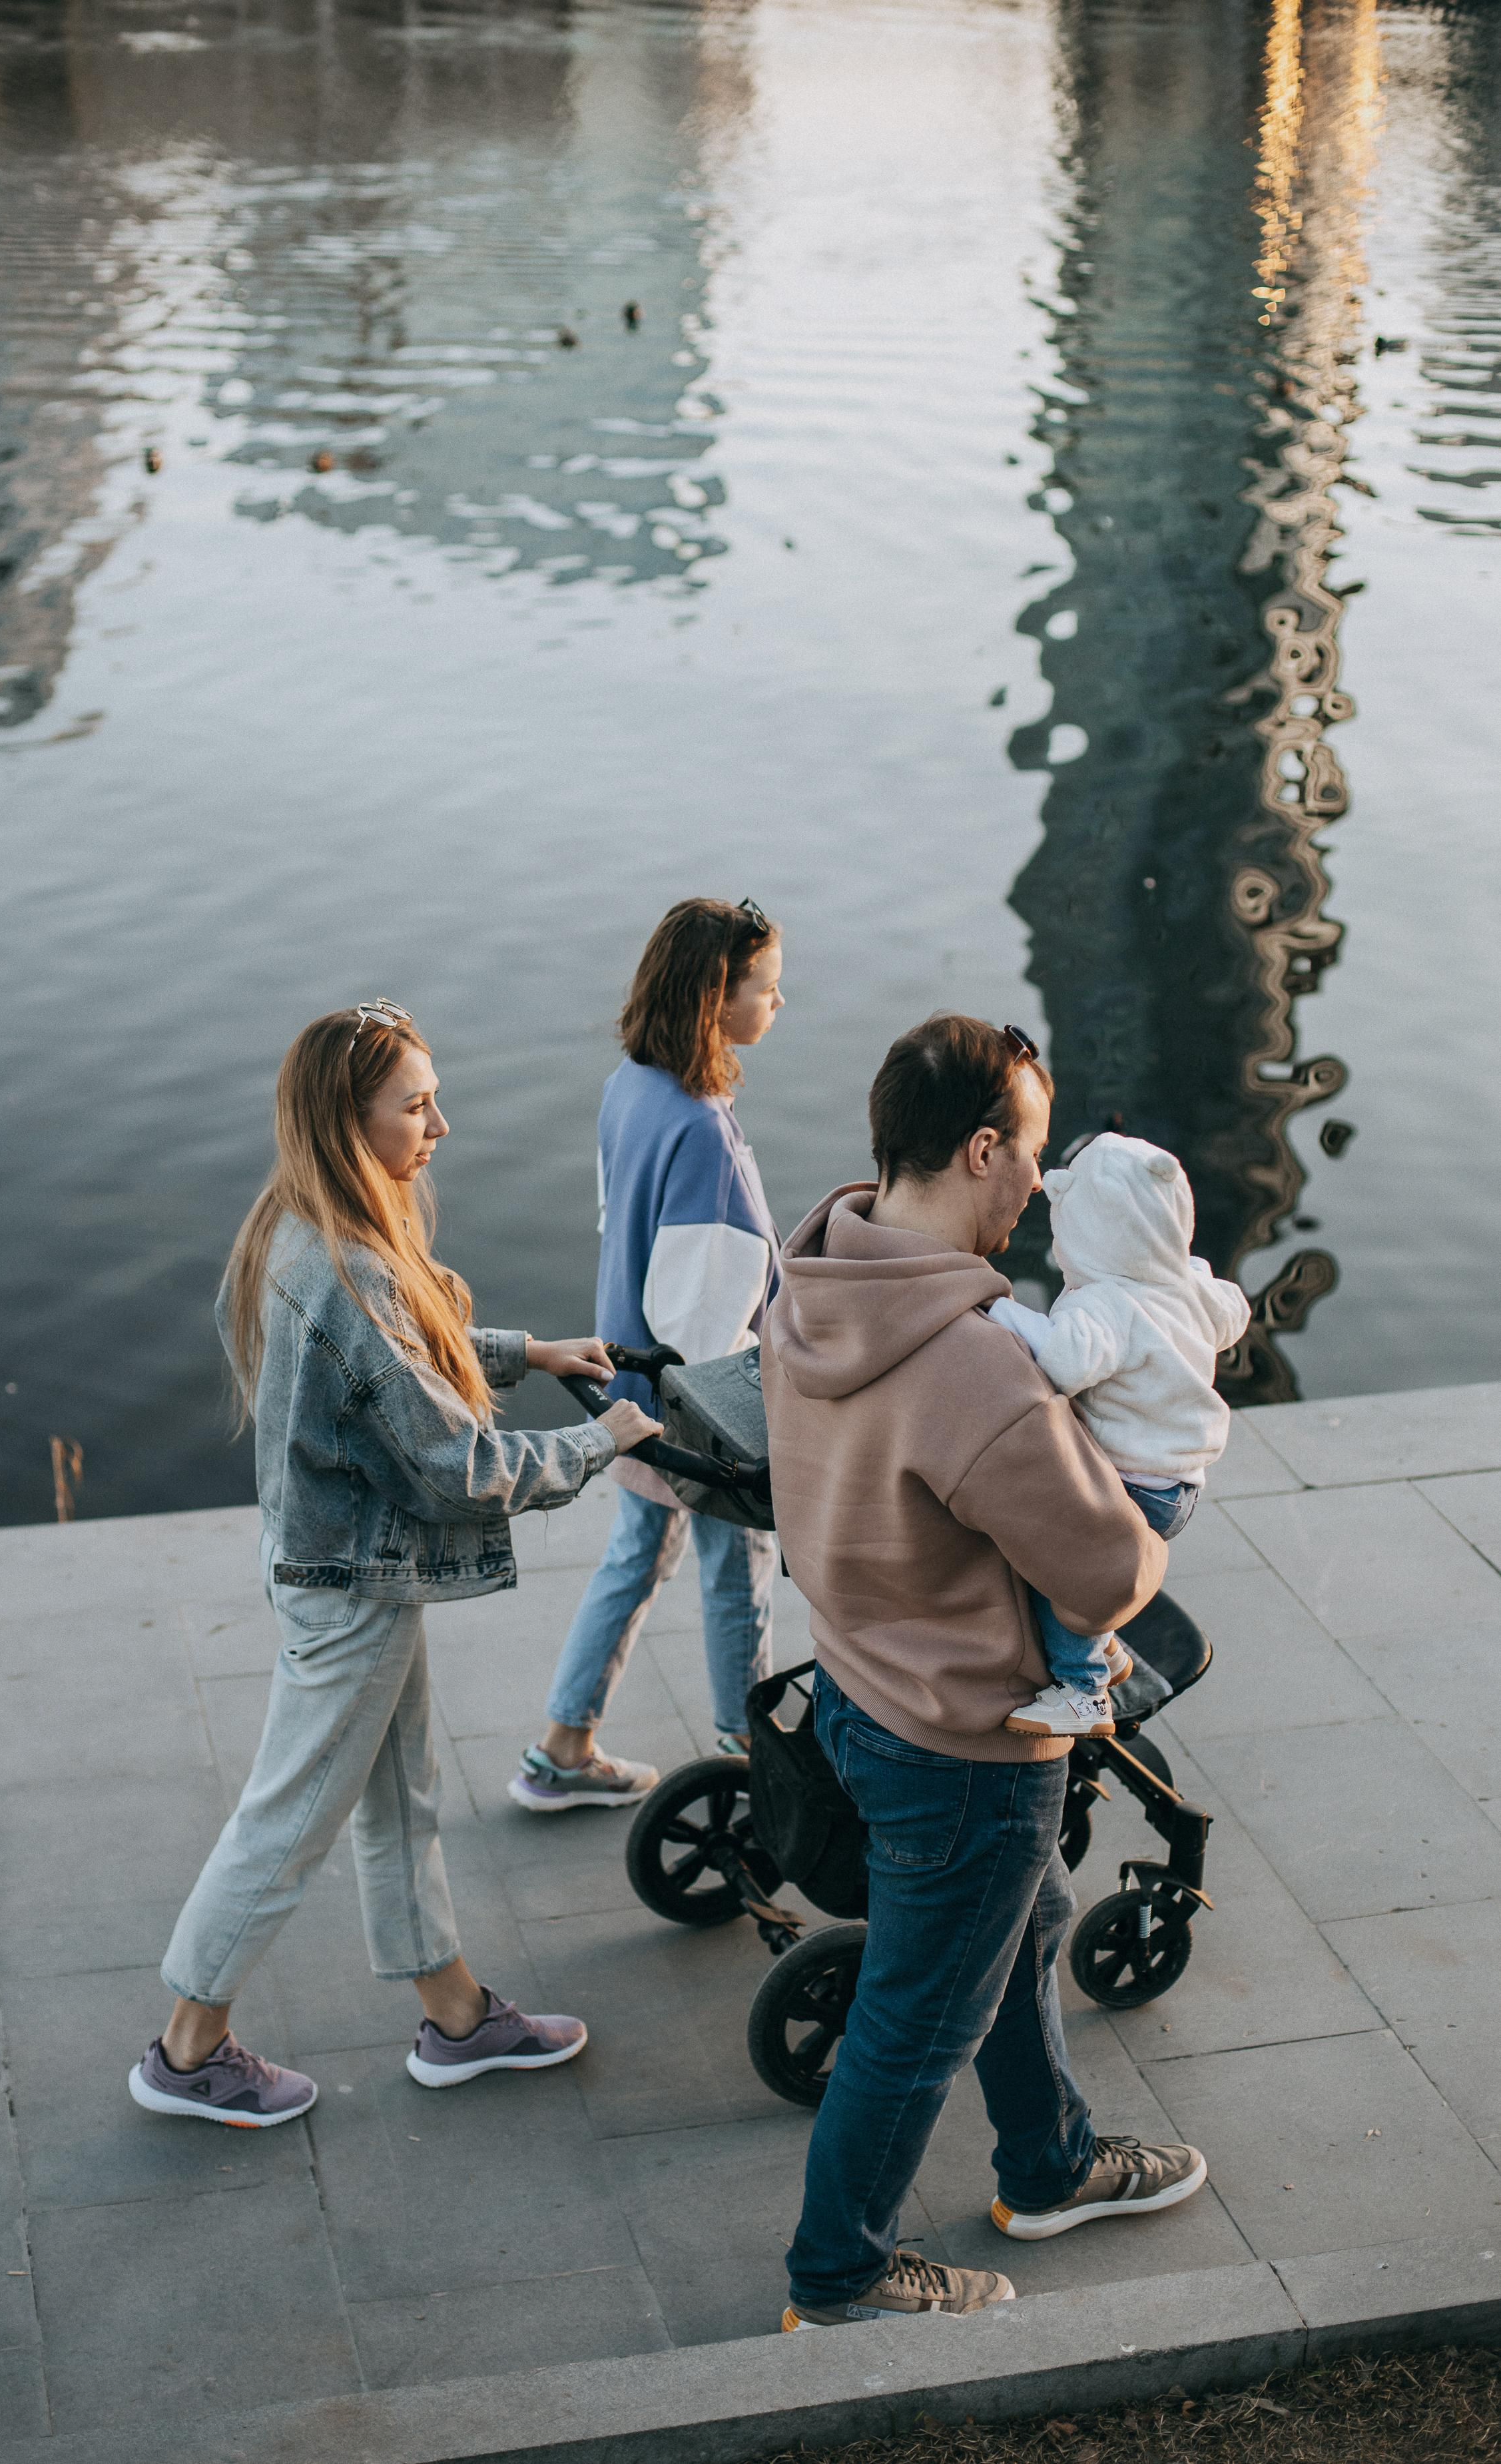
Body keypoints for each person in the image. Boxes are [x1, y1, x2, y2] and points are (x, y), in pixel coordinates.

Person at [129, 1000, 660, 2127]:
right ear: (347, 1121)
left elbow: (386, 1368)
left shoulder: (292, 1225)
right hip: (353, 1592)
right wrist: (595, 1440)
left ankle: (457, 2018)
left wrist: (523, 1351)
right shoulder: (348, 1270)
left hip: (338, 1567)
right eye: (415, 1106)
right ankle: (186, 2051)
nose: (441, 1125)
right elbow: (450, 1466)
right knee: (287, 1822)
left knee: (398, 1800)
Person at [761, 1014, 1208, 2332]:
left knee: (1021, 1931)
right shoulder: (974, 1364)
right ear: (975, 1149)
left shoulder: (817, 1265)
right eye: (1024, 1157)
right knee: (911, 2024)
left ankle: (1050, 2161)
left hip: (854, 1678)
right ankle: (836, 2278)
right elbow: (1116, 1567)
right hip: (966, 1741)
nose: (1032, 1189)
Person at [509, 899, 784, 1813]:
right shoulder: (704, 1132)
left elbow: (616, 1225)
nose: (779, 1003)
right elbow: (705, 1320)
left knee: (634, 1557)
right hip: (691, 1406)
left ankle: (561, 1745)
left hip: (620, 1375)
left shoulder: (630, 1082)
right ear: (715, 1001)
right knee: (735, 1574)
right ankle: (753, 1767)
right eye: (766, 988)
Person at [989, 1131, 1251, 1739]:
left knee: (1063, 1571)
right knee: (1098, 1571)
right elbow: (1231, 1311)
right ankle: (1106, 1649)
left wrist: (1000, 1310)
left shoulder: (1106, 1304)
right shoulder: (1185, 1287)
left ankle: (1081, 1692)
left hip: (1131, 1479)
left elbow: (1062, 1362)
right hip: (1179, 1483)